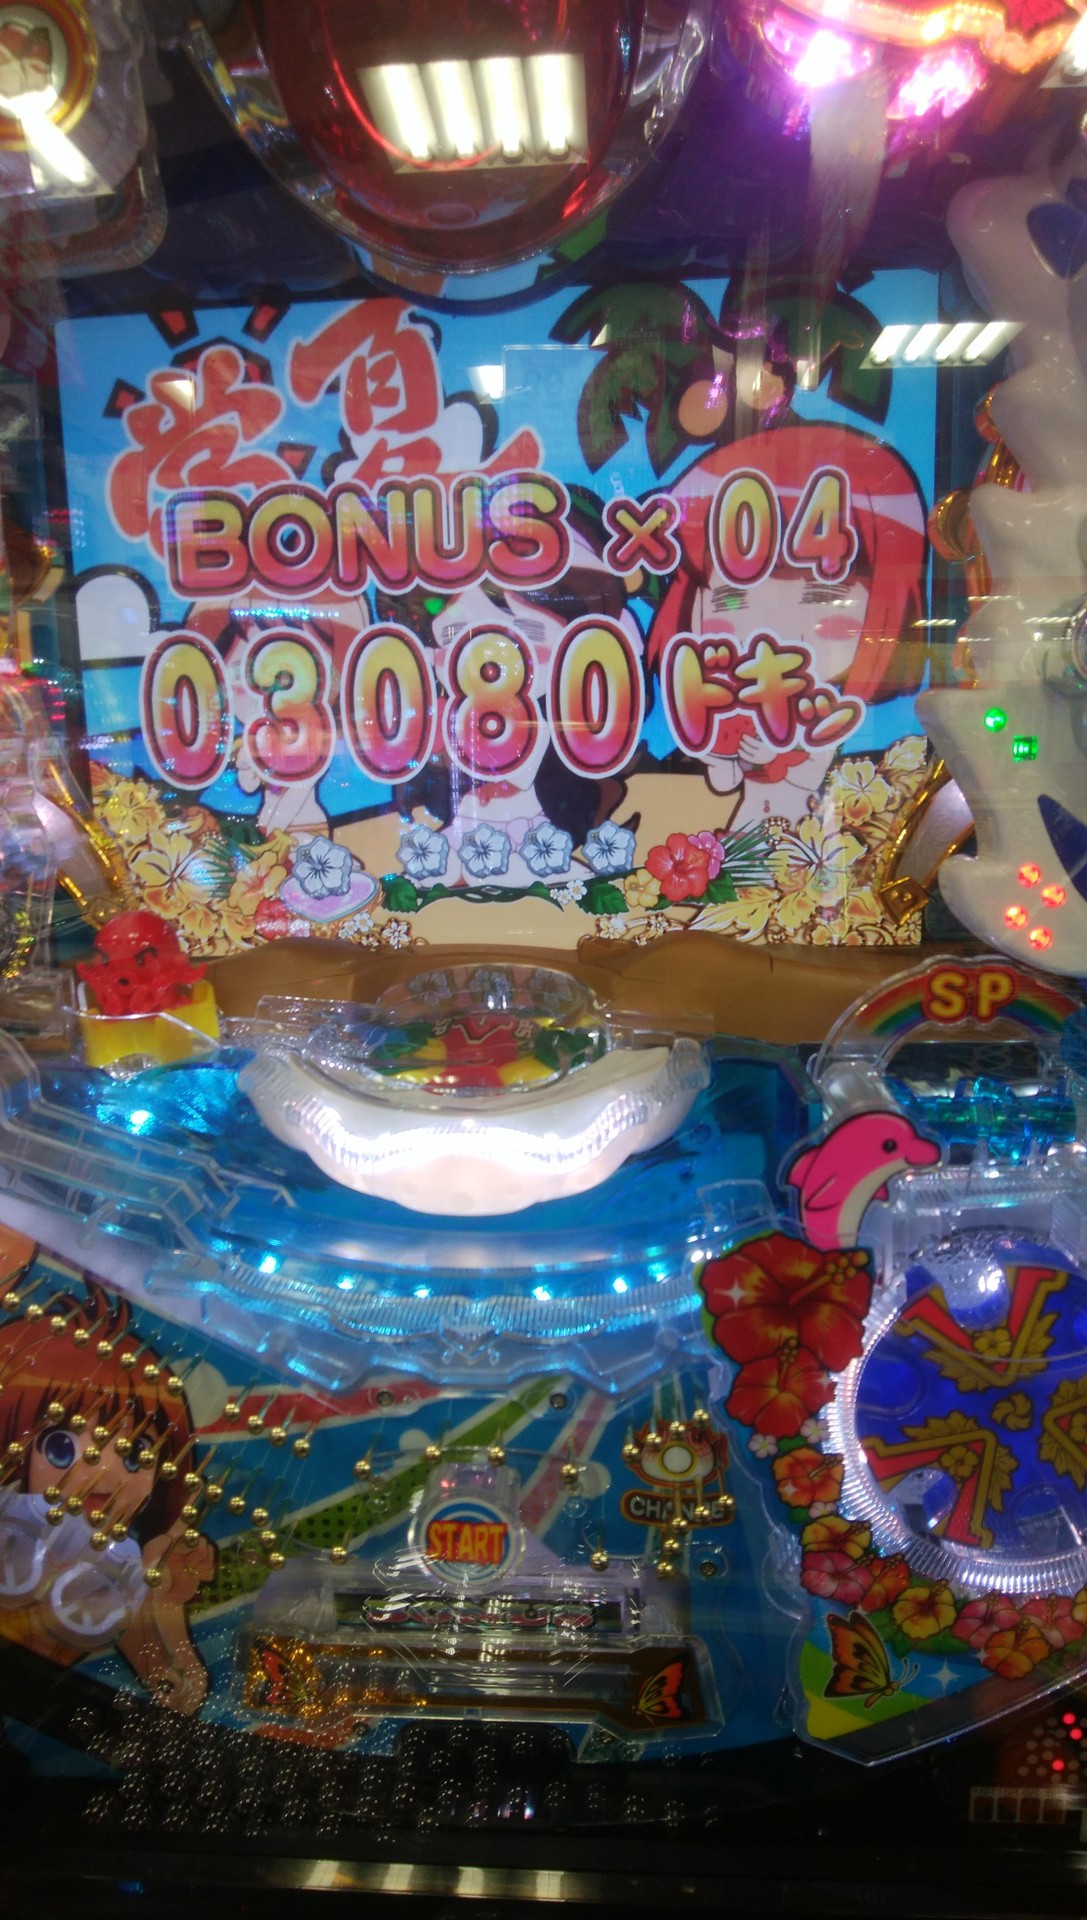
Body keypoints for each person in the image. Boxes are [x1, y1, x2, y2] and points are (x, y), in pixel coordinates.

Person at [643, 422, 928, 835]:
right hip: (747, 828)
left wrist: (772, 757)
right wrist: (721, 758)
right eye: (731, 601)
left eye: (822, 596)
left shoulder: (829, 721)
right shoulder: (728, 708)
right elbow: (722, 783)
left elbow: (811, 778)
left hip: (817, 835)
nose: (770, 636)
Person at [0, 1270, 214, 1713]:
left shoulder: (119, 1568)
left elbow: (178, 1692)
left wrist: (164, 1595)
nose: (104, 1475)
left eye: (136, 1456)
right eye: (62, 1448)